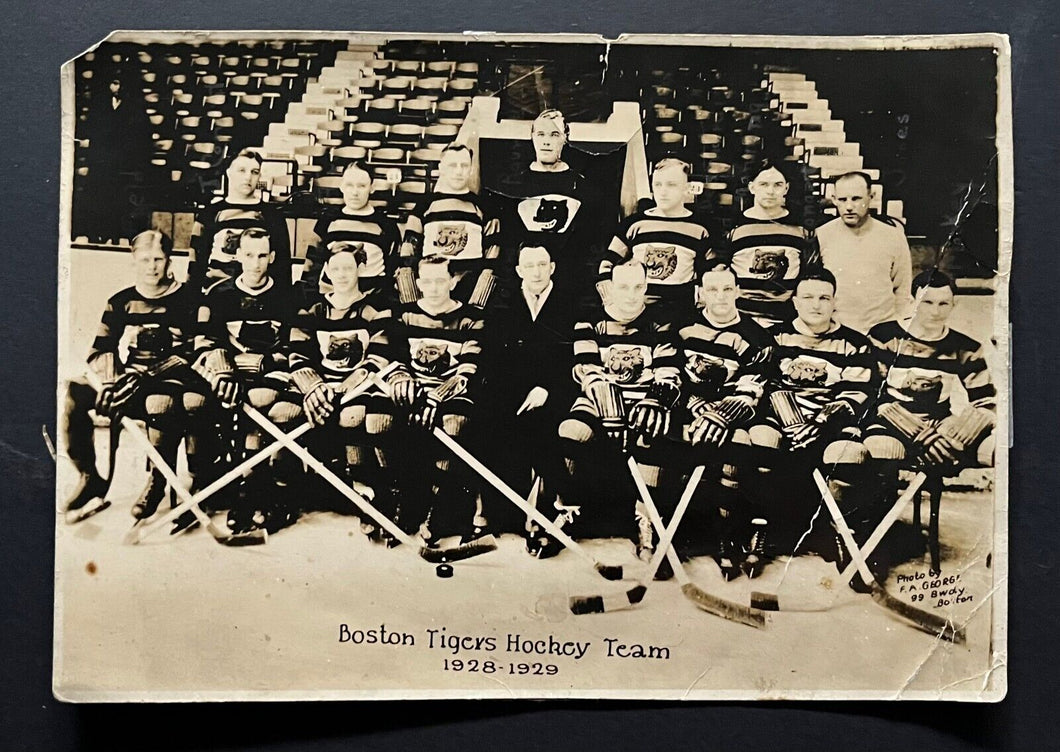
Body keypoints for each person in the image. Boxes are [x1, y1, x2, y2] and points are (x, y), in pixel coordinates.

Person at [746, 268, 879, 578]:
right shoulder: (774, 337)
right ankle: (759, 530)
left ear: (834, 302)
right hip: (781, 418)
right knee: (762, 437)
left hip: (826, 423)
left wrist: (821, 420)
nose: (816, 305)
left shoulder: (854, 343)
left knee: (847, 452)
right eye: (807, 297)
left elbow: (856, 393)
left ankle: (840, 532)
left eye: (824, 298)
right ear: (794, 301)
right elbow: (760, 382)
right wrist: (789, 418)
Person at [61, 230, 199, 524]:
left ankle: (158, 481)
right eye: (145, 259)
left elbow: (190, 352)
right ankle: (90, 477)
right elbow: (100, 349)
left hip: (170, 380)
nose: (152, 267)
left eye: (159, 259)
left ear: (169, 261)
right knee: (75, 394)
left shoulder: (185, 298)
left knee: (161, 402)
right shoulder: (121, 301)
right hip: (129, 382)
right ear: (133, 261)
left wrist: (145, 376)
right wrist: (112, 381)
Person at [550, 261, 682, 558]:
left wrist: (656, 399)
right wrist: (611, 407)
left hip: (643, 399)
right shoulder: (589, 322)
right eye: (623, 286)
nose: (631, 294)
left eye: (638, 287)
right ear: (610, 288)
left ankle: (645, 522)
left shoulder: (660, 323)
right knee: (570, 431)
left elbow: (668, 372)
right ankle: (565, 511)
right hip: (599, 399)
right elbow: (587, 371)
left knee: (653, 430)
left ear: (646, 287)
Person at [178, 227, 297, 537]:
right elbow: (204, 340)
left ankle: (254, 486)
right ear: (237, 256)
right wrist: (223, 368)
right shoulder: (218, 293)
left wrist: (262, 364)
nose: (255, 263)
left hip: (269, 372)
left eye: (262, 256)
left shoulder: (288, 295)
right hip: (229, 371)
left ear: (272, 257)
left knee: (258, 401)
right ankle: (207, 478)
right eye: (248, 255)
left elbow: (293, 345)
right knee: (195, 401)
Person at [283, 242, 397, 540]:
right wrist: (314, 386)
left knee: (354, 417)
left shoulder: (375, 308)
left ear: (360, 268)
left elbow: (380, 355)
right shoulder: (313, 309)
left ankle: (370, 493)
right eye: (336, 268)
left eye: (349, 267)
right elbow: (297, 353)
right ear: (326, 271)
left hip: (360, 386)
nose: (342, 274)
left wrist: (347, 386)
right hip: (323, 384)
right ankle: (285, 493)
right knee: (285, 413)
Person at [673, 263, 775, 579]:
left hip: (733, 414)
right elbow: (672, 375)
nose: (721, 297)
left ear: (739, 291)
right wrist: (697, 407)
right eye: (713, 289)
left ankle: (727, 534)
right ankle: (670, 529)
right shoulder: (682, 328)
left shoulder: (758, 336)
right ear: (700, 293)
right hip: (692, 410)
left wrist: (720, 416)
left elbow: (750, 389)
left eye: (728, 289)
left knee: (739, 443)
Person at [383, 256, 485, 543]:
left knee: (453, 426)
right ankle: (407, 508)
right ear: (417, 283)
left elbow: (468, 367)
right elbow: (395, 360)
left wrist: (436, 397)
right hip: (415, 390)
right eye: (426, 281)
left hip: (452, 392)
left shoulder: (471, 317)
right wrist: (407, 386)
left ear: (453, 281)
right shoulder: (404, 315)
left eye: (441, 280)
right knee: (393, 423)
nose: (434, 287)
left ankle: (439, 513)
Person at [484, 244, 577, 543]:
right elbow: (496, 357)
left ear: (552, 267)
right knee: (492, 425)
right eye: (529, 266)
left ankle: (548, 517)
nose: (536, 272)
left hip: (555, 389)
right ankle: (491, 514)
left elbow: (573, 358)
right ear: (518, 271)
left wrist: (547, 388)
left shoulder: (571, 304)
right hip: (513, 389)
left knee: (542, 429)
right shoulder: (502, 305)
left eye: (542, 264)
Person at [865, 269, 996, 472]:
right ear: (912, 301)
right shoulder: (884, 336)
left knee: (997, 450)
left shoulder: (966, 347)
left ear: (954, 304)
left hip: (941, 428)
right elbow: (872, 395)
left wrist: (957, 434)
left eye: (943, 303)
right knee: (882, 448)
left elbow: (986, 403)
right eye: (927, 302)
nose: (935, 312)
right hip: (890, 425)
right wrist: (917, 433)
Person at [489, 109, 602, 307]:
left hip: (569, 288)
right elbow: (508, 243)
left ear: (566, 138)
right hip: (523, 288)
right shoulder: (513, 185)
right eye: (540, 134)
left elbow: (589, 244)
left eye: (554, 134)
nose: (546, 141)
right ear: (532, 137)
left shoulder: (583, 187)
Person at [598, 158, 713, 320]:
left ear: (686, 188)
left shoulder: (701, 228)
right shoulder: (634, 224)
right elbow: (607, 264)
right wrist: (611, 302)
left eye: (671, 185)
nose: (663, 191)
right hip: (635, 312)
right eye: (658, 185)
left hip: (680, 313)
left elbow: (711, 274)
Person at [398, 144, 502, 308]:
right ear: (441, 168)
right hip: (431, 293)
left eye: (464, 165)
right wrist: (414, 304)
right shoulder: (424, 206)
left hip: (470, 292)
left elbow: (492, 259)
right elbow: (407, 254)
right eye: (453, 165)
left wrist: (478, 303)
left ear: (470, 168)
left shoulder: (484, 207)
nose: (459, 171)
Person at [722, 161, 820, 327]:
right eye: (764, 184)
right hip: (739, 320)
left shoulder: (802, 229)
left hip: (785, 321)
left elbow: (810, 277)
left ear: (786, 188)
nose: (770, 191)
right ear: (752, 187)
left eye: (777, 185)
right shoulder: (733, 228)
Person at [816, 171, 914, 334]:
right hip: (836, 331)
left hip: (882, 331)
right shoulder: (822, 235)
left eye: (856, 198)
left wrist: (897, 331)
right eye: (842, 199)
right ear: (833, 199)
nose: (849, 207)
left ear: (871, 196)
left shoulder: (893, 236)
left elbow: (903, 291)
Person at [188, 149, 292, 294]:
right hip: (217, 295)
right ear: (229, 172)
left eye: (254, 172)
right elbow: (196, 263)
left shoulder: (272, 215)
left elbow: (282, 266)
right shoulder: (210, 213)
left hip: (260, 297)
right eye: (241, 170)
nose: (248, 177)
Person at [300, 163, 401, 303]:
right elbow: (311, 268)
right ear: (341, 186)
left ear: (372, 188)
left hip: (372, 302)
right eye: (349, 185)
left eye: (361, 186)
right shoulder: (327, 221)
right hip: (333, 300)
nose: (355, 192)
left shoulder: (387, 225)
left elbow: (393, 271)